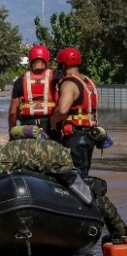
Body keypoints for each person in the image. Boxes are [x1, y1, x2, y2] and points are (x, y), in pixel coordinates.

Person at [0, 129, 127, 242]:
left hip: (54, 158)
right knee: (81, 190)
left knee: (85, 193)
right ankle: (121, 232)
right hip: (57, 149)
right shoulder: (1, 152)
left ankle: (121, 233)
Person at [50, 47, 105, 177]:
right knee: (83, 174)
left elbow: (62, 110)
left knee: (74, 178)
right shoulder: (88, 82)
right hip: (90, 136)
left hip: (75, 137)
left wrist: (53, 121)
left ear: (63, 65)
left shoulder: (69, 83)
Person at [8, 44, 56, 131]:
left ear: (30, 60)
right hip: (50, 127)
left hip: (27, 127)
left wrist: (12, 132)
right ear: (47, 60)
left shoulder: (20, 80)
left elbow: (12, 113)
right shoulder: (56, 77)